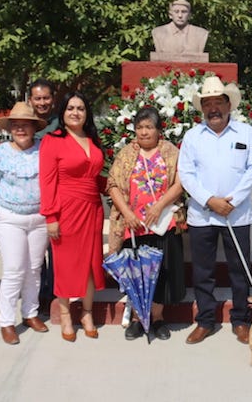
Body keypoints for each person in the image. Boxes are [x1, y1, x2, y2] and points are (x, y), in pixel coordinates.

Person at [178, 76, 252, 345]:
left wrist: (233, 201)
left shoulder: (246, 133)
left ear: (229, 105)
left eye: (218, 102)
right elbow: (186, 174)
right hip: (203, 215)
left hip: (236, 215)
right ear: (202, 108)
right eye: (208, 103)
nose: (213, 108)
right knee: (203, 271)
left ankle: (240, 319)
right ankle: (205, 320)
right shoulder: (192, 137)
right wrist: (209, 200)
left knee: (239, 270)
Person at [107, 106, 186, 341]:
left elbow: (180, 183)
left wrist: (159, 206)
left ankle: (158, 318)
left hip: (162, 223)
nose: (144, 132)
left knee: (160, 274)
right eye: (140, 127)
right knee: (137, 273)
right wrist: (127, 213)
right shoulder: (126, 154)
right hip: (135, 227)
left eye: (149, 127)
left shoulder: (170, 152)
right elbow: (112, 184)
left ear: (158, 130)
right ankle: (137, 319)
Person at [0, 102, 49, 345]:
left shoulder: (43, 150)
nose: (21, 130)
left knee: (34, 268)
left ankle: (30, 313)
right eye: (16, 126)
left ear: (33, 128)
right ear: (10, 128)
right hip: (9, 218)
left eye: (25, 126)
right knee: (14, 269)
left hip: (39, 218)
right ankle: (7, 322)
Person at [39, 91, 107, 342]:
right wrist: (50, 217)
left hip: (92, 209)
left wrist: (119, 186)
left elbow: (96, 177)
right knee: (66, 264)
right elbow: (47, 182)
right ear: (63, 113)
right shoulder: (52, 140)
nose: (75, 112)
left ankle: (87, 313)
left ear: (87, 113)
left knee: (91, 262)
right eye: (70, 108)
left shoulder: (92, 139)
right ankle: (66, 314)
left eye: (80, 108)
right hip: (66, 209)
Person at [27, 78, 59, 314]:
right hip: (31, 196)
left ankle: (55, 295)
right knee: (34, 253)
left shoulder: (61, 124)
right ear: (30, 100)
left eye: (46, 97)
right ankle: (37, 295)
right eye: (37, 98)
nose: (42, 102)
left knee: (55, 249)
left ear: (53, 99)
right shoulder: (26, 124)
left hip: (57, 194)